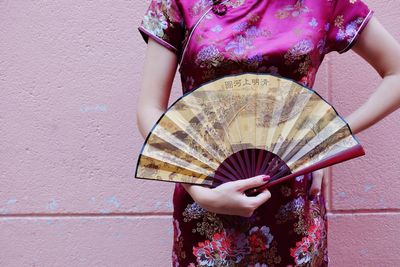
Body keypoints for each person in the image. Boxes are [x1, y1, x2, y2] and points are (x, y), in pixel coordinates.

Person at [136, 0, 400, 266]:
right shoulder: (179, 3)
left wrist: (325, 139)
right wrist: (195, 187)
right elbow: (150, 108)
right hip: (205, 194)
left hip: (293, 201)